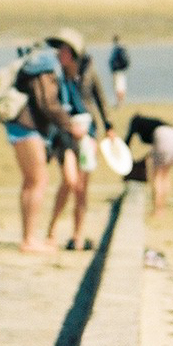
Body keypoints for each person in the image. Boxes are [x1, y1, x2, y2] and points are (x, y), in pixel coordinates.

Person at [2, 32, 87, 254]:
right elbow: (47, 104)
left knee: (31, 181)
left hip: (21, 126)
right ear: (67, 52)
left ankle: (28, 237)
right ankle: (29, 240)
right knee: (38, 181)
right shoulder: (47, 66)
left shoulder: (41, 62)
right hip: (26, 127)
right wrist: (70, 126)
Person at [47, 36, 115, 250]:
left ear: (74, 53)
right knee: (69, 181)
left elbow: (101, 100)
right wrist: (68, 127)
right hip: (65, 135)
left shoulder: (88, 73)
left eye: (64, 50)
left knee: (82, 188)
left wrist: (109, 128)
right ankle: (52, 230)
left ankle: (77, 235)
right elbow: (52, 106)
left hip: (88, 134)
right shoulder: (55, 76)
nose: (59, 54)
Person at [124, 113, 173, 217]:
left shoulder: (136, 123)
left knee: (157, 175)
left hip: (162, 136)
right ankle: (162, 206)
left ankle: (157, 210)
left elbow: (128, 140)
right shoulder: (153, 122)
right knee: (165, 174)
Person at [108, 35, 130, 106]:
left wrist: (114, 67)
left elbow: (114, 61)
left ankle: (119, 102)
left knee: (118, 87)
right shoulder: (122, 49)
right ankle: (121, 102)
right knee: (121, 86)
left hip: (117, 71)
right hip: (122, 70)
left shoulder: (117, 50)